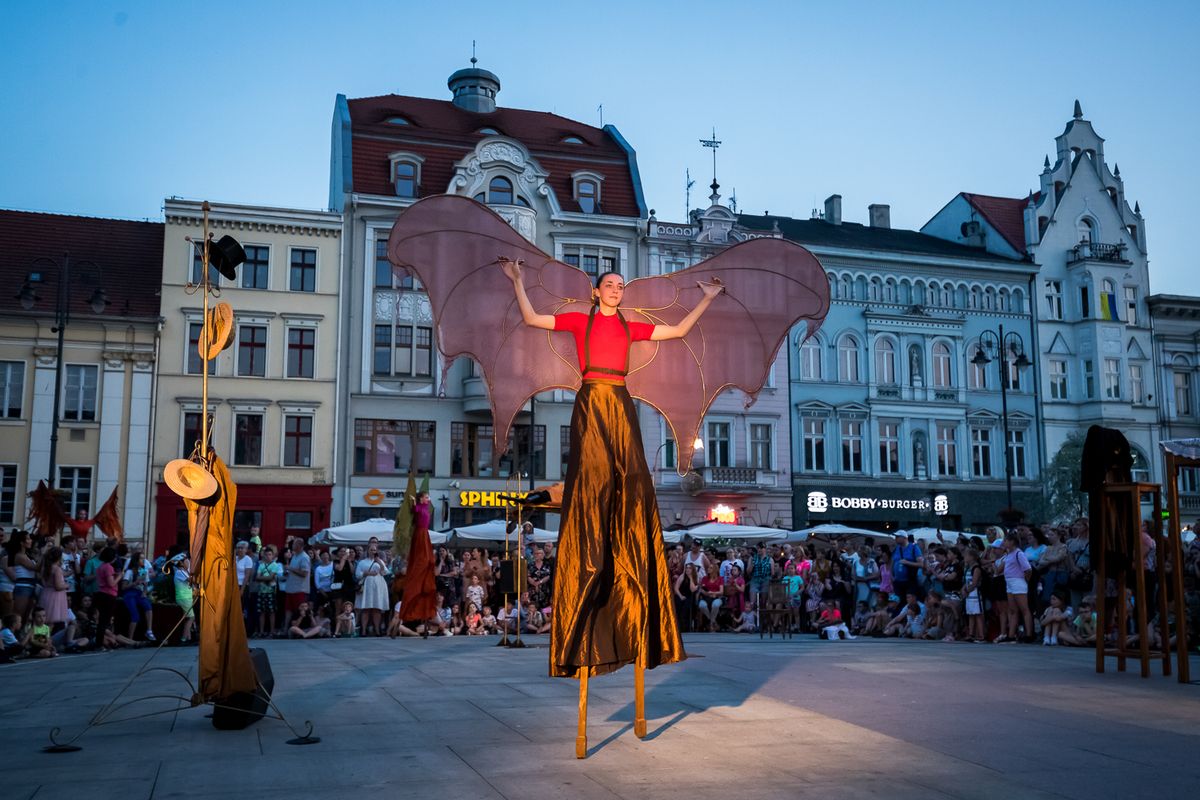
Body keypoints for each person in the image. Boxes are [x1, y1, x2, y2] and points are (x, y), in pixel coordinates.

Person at [504, 261, 721, 680]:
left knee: (630, 478)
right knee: (591, 479)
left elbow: (677, 332)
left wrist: (706, 300)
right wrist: (516, 281)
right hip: (591, 399)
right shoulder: (577, 319)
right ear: (596, 291)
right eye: (610, 284)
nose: (617, 289)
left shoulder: (630, 326)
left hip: (620, 402)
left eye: (621, 285)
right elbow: (532, 318)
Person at [401, 491, 438, 629]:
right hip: (420, 533)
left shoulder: (426, 507)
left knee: (428, 559)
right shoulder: (419, 507)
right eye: (427, 497)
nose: (429, 499)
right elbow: (414, 510)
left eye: (428, 497)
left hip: (425, 532)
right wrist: (414, 501)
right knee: (423, 557)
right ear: (421, 498)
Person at [995, 532, 1034, 643]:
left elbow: (1028, 569)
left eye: (1006, 540)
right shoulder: (1009, 554)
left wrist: (1025, 580)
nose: (1004, 543)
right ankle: (1011, 635)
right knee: (1012, 610)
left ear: (1012, 542)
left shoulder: (1019, 553)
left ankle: (1029, 634)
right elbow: (999, 570)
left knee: (1024, 609)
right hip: (1009, 582)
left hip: (1018, 581)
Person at [356, 542, 390, 636]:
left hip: (378, 586)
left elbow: (385, 572)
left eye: (374, 550)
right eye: (371, 550)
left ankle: (377, 629)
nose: (373, 551)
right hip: (367, 586)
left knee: (377, 608)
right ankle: (363, 630)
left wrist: (379, 562)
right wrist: (366, 573)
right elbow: (357, 574)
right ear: (368, 551)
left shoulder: (380, 561)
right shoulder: (363, 562)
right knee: (366, 608)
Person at [120, 551, 155, 641]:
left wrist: (144, 592)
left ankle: (149, 630)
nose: (143, 560)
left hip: (139, 592)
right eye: (141, 558)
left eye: (144, 558)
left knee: (148, 607)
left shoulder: (144, 571)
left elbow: (146, 583)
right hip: (130, 593)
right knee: (135, 615)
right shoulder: (129, 572)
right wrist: (134, 583)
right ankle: (130, 639)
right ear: (136, 560)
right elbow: (123, 587)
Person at [282, 538, 311, 633]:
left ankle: (299, 630)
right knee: (288, 610)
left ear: (299, 546)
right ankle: (286, 628)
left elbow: (304, 573)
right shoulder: (294, 556)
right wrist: (288, 572)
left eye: (294, 544)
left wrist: (291, 569)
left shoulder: (304, 557)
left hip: (300, 589)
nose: (292, 545)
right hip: (291, 588)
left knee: (300, 610)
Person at [38, 546, 70, 629]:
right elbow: (58, 586)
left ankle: (42, 638)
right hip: (55, 596)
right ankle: (45, 640)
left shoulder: (45, 568)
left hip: (46, 593)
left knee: (45, 621)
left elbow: (42, 581)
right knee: (51, 622)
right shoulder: (57, 569)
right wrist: (67, 585)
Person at [255, 546, 283, 638]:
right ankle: (262, 631)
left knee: (271, 612)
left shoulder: (275, 565)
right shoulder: (261, 565)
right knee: (261, 612)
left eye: (270, 554)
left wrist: (262, 578)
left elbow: (271, 577)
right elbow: (257, 577)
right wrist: (265, 578)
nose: (268, 556)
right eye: (266, 554)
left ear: (273, 555)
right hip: (261, 591)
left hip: (271, 591)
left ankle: (272, 631)